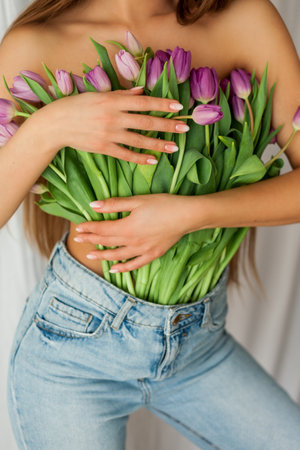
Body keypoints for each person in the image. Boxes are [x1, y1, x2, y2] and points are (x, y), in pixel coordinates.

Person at [1, 0, 300, 448]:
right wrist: (50, 126)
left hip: (197, 342)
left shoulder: (244, 17)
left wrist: (193, 214)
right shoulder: (37, 42)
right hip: (73, 350)